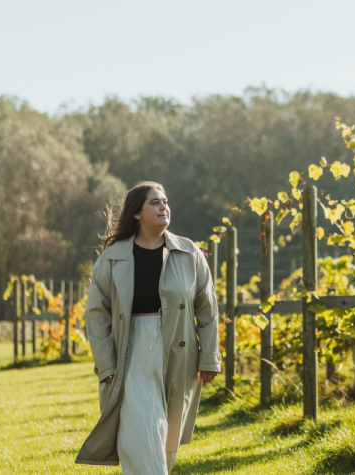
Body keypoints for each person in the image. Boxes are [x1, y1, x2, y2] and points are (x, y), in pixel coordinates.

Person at [75, 181, 222, 473]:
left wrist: (210, 357)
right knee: (139, 434)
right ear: (137, 213)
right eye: (155, 202)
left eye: (165, 201)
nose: (163, 206)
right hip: (130, 352)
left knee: (166, 442)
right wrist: (105, 364)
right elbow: (96, 313)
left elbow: (207, 309)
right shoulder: (112, 257)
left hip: (179, 352)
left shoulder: (189, 252)